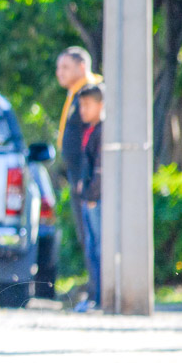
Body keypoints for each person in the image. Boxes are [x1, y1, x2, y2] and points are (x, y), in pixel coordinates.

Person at [55, 47, 102, 301]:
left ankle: (99, 292)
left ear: (82, 66)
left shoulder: (92, 92)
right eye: (58, 68)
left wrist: (89, 179)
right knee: (87, 236)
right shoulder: (76, 93)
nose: (59, 73)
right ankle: (95, 291)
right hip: (79, 177)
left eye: (65, 67)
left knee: (93, 236)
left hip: (89, 179)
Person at [75, 84, 104, 313]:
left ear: (101, 105)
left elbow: (100, 169)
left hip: (96, 199)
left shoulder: (103, 131)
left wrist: (92, 194)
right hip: (88, 197)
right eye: (80, 105)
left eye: (87, 105)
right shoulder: (91, 129)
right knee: (91, 247)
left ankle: (100, 296)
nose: (82, 110)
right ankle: (94, 295)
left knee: (98, 248)